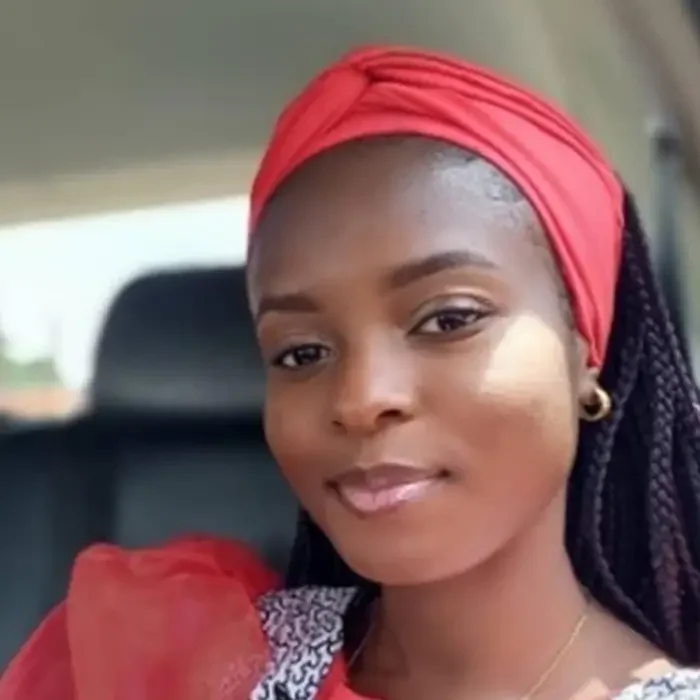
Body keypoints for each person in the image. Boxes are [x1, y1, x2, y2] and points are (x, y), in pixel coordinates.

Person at [2, 45, 700, 700]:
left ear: (584, 348)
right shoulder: (191, 670)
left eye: (448, 319)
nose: (362, 399)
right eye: (302, 353)